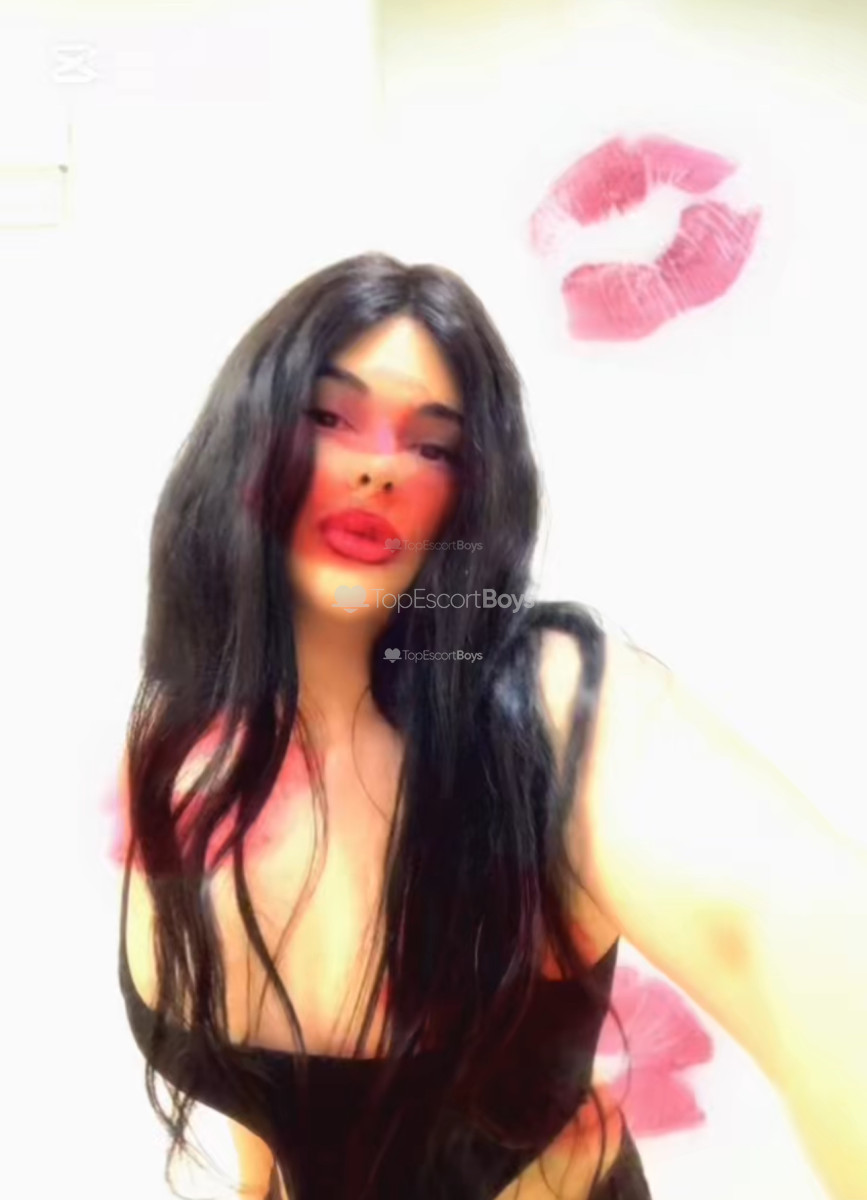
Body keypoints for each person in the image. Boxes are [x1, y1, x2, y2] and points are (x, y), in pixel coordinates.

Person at [116, 251, 867, 1200]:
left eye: (433, 448)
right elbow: (270, 1100)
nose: (380, 468)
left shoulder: (545, 711)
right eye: (329, 417)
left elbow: (784, 925)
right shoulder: (181, 740)